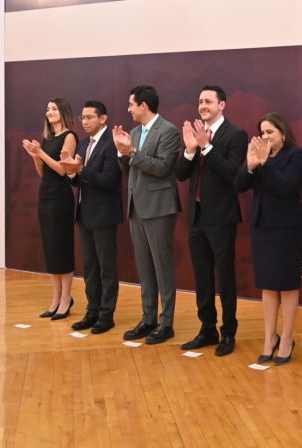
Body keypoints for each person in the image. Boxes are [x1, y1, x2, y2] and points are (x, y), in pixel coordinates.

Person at [176, 86, 248, 357]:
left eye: (208, 101)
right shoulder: (197, 134)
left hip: (221, 218)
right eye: (200, 101)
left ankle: (228, 332)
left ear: (222, 105)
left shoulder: (236, 134)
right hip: (196, 217)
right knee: (202, 275)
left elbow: (231, 173)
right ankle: (207, 329)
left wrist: (206, 147)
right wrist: (190, 149)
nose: (202, 106)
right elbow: (181, 174)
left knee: (225, 276)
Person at [234, 113, 302, 366]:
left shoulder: (297, 154)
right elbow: (239, 185)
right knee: (267, 284)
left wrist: (265, 163)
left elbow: (285, 187)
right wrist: (251, 164)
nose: (265, 136)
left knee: (286, 285)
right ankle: (270, 339)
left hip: (287, 227)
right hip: (262, 226)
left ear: (283, 133)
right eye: (262, 132)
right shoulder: (259, 155)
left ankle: (286, 340)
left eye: (270, 132)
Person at [113, 85, 182, 345]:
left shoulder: (168, 131)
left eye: (132, 104)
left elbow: (162, 167)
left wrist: (131, 152)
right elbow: (129, 170)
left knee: (162, 267)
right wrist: (121, 153)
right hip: (136, 206)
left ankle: (167, 323)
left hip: (159, 207)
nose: (129, 109)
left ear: (144, 105)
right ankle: (148, 318)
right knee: (144, 266)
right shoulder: (133, 133)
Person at [60, 100, 123, 335]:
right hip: (84, 214)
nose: (85, 122)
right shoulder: (85, 143)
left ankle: (107, 315)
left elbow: (109, 180)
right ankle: (92, 311)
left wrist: (80, 169)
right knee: (90, 268)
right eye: (82, 118)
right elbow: (79, 180)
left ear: (103, 118)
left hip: (104, 215)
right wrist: (71, 172)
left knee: (107, 268)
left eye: (89, 117)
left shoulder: (111, 143)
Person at [22, 98, 77, 320]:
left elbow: (63, 170)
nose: (50, 112)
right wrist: (36, 157)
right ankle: (55, 299)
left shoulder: (69, 136)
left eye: (54, 108)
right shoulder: (48, 138)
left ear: (63, 111)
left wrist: (41, 153)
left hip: (60, 198)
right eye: (47, 109)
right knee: (51, 249)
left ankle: (66, 298)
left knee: (62, 248)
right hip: (45, 196)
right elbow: (43, 172)